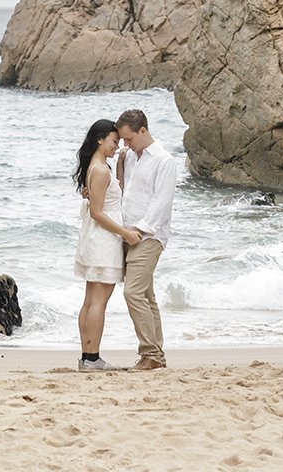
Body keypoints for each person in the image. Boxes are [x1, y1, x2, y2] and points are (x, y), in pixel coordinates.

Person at [72, 118, 141, 371]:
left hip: (96, 238)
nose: (117, 146)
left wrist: (121, 161)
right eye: (114, 141)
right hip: (103, 240)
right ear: (100, 139)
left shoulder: (99, 166)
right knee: (98, 301)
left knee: (90, 300)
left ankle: (86, 356)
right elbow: (97, 213)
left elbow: (113, 192)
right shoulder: (100, 170)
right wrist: (126, 233)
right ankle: (92, 358)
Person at [114, 108, 178, 371]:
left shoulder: (164, 160)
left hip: (148, 236)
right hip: (128, 232)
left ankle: (150, 353)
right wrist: (120, 162)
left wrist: (138, 232)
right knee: (147, 296)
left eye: (128, 139)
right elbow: (124, 191)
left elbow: (161, 203)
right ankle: (156, 356)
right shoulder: (130, 157)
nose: (125, 144)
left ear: (143, 130)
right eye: (122, 140)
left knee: (133, 293)